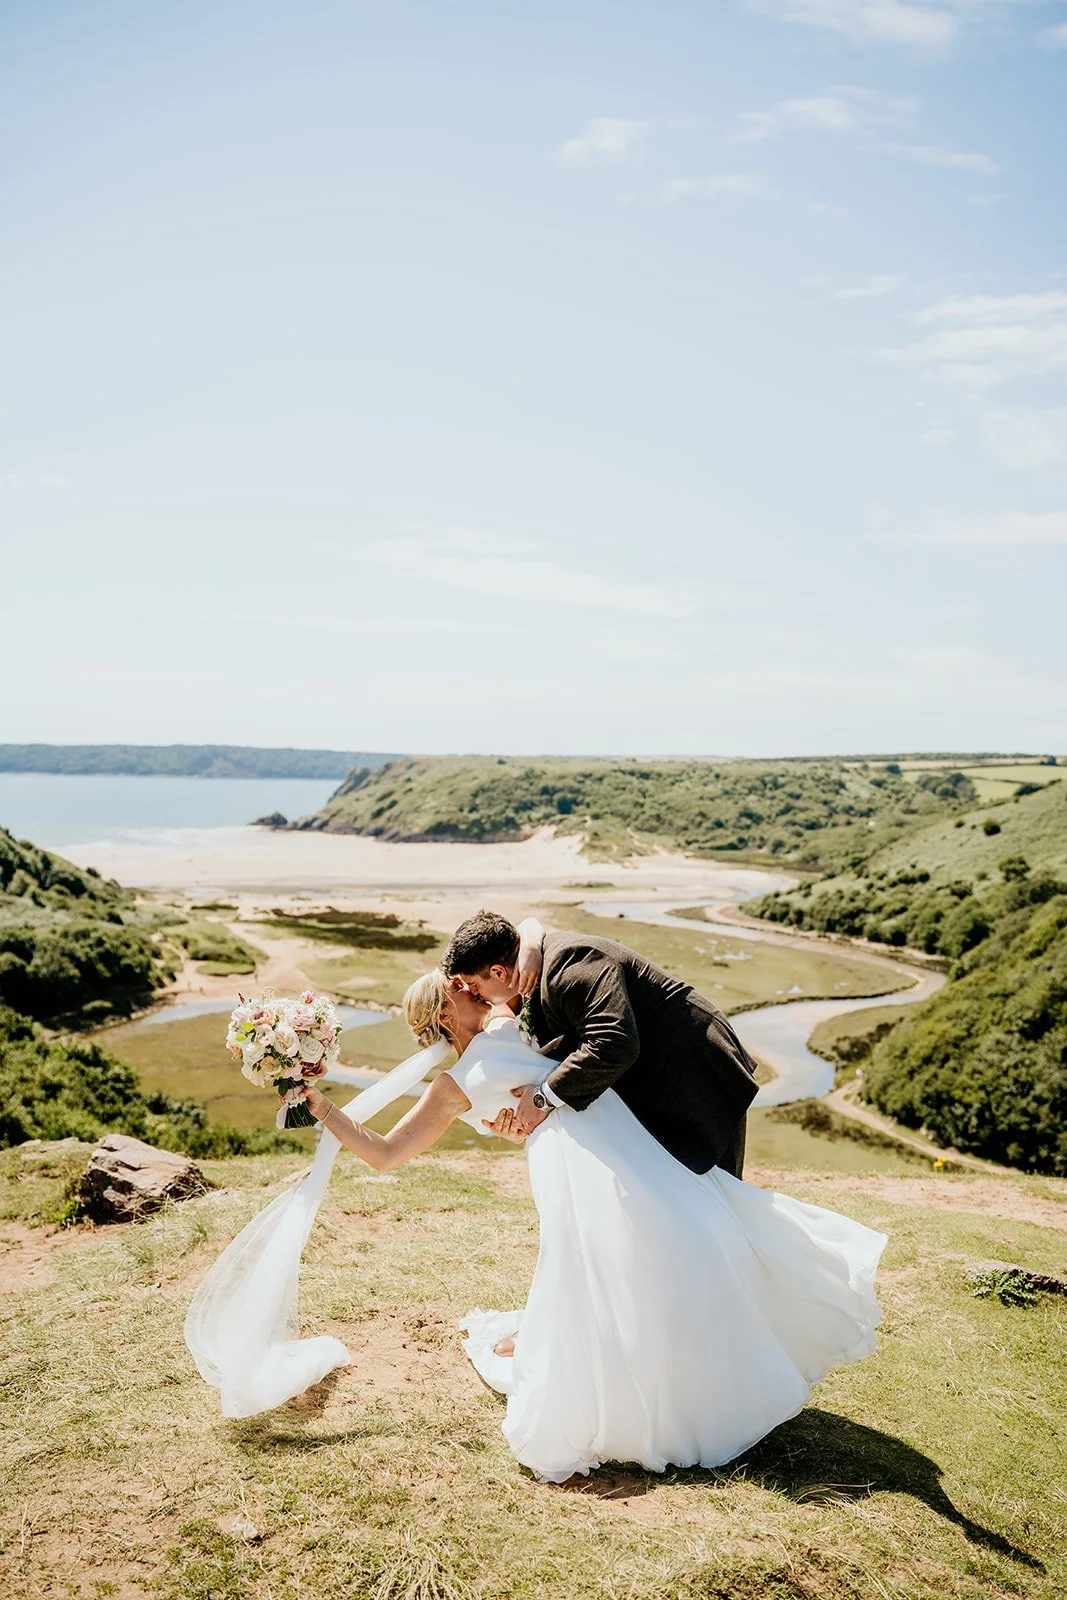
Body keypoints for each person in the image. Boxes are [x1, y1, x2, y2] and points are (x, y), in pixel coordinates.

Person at [303, 964, 887, 1484]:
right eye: (454, 989)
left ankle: (684, 1380)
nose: (468, 986)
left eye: (466, 981)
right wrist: (325, 1107)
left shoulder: (512, 1022)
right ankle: (649, 1389)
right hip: (579, 1163)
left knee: (672, 1242)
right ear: (442, 1012)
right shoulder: (453, 1085)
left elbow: (536, 967)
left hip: (623, 1142)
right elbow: (384, 1153)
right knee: (611, 1261)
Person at [442, 910, 758, 1177]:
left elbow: (614, 1043)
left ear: (498, 971)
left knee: (721, 1194)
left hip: (696, 1072)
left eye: (472, 985)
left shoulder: (569, 966)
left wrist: (542, 1099)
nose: (472, 994)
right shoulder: (530, 975)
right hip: (657, 1080)